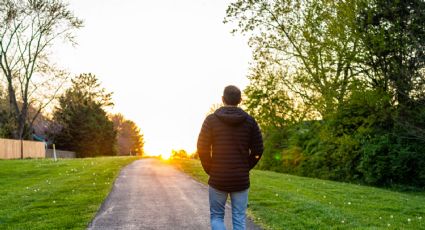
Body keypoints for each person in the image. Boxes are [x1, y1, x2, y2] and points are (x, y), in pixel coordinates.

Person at [197, 85, 264, 230]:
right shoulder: (250, 121)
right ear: (240, 100)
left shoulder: (211, 120)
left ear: (222, 99)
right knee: (239, 218)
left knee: (217, 216)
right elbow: (258, 150)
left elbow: (202, 148)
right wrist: (246, 167)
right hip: (240, 178)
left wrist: (210, 169)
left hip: (218, 177)